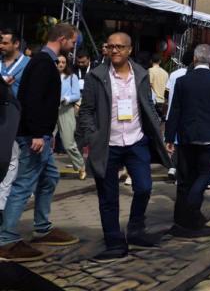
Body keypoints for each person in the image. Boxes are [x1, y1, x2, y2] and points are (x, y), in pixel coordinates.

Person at [75, 32, 170, 261]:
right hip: (108, 144)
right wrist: (92, 136)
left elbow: (147, 104)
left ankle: (136, 229)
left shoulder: (140, 73)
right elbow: (86, 110)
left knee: (145, 187)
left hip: (136, 141)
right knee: (108, 197)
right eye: (110, 46)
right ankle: (114, 242)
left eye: (119, 47)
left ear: (129, 50)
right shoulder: (96, 76)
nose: (114, 50)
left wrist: (158, 132)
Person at [0, 23, 79, 262]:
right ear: (63, 39)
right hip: (35, 136)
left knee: (49, 178)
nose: (74, 46)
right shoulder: (43, 63)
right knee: (24, 184)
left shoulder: (42, 61)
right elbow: (33, 99)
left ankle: (42, 227)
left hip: (40, 134)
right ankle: (7, 240)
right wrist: (37, 133)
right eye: (73, 42)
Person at [163, 44, 210, 238]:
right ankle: (193, 204)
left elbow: (174, 109)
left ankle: (181, 217)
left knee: (184, 176)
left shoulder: (183, 81)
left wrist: (169, 136)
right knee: (204, 172)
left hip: (186, 135)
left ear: (194, 59)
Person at [0, 29, 29, 222]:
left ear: (16, 44)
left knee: (11, 160)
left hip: (17, 119)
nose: (1, 46)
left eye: (5, 43)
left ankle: (2, 206)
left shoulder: (28, 65)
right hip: (1, 117)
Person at [54, 55, 85, 180]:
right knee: (44, 141)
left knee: (68, 143)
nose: (61, 64)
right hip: (49, 111)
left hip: (65, 110)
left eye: (63, 62)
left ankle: (80, 166)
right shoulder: (48, 76)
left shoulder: (72, 77)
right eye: (58, 62)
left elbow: (76, 95)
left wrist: (66, 99)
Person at [164, 49, 193, 181]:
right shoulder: (192, 74)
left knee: (173, 142)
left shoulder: (174, 74)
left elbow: (166, 93)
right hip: (187, 115)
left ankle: (172, 167)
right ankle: (179, 171)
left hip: (172, 113)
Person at [143, 52, 169, 121]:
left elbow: (149, 84)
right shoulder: (165, 73)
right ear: (160, 61)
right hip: (162, 102)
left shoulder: (150, 70)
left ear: (151, 61)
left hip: (153, 102)